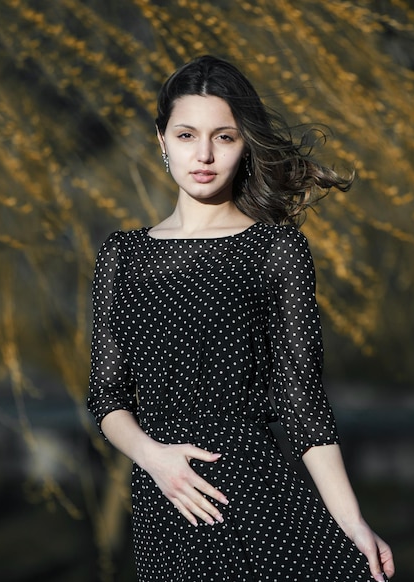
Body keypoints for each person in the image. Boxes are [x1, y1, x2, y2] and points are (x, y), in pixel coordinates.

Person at [87, 55, 394, 582]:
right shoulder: (123, 257)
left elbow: (302, 401)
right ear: (161, 141)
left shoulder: (276, 250)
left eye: (223, 137)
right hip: (166, 505)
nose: (203, 154)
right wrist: (154, 459)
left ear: (245, 144)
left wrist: (352, 520)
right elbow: (106, 396)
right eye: (186, 135)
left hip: (259, 495)